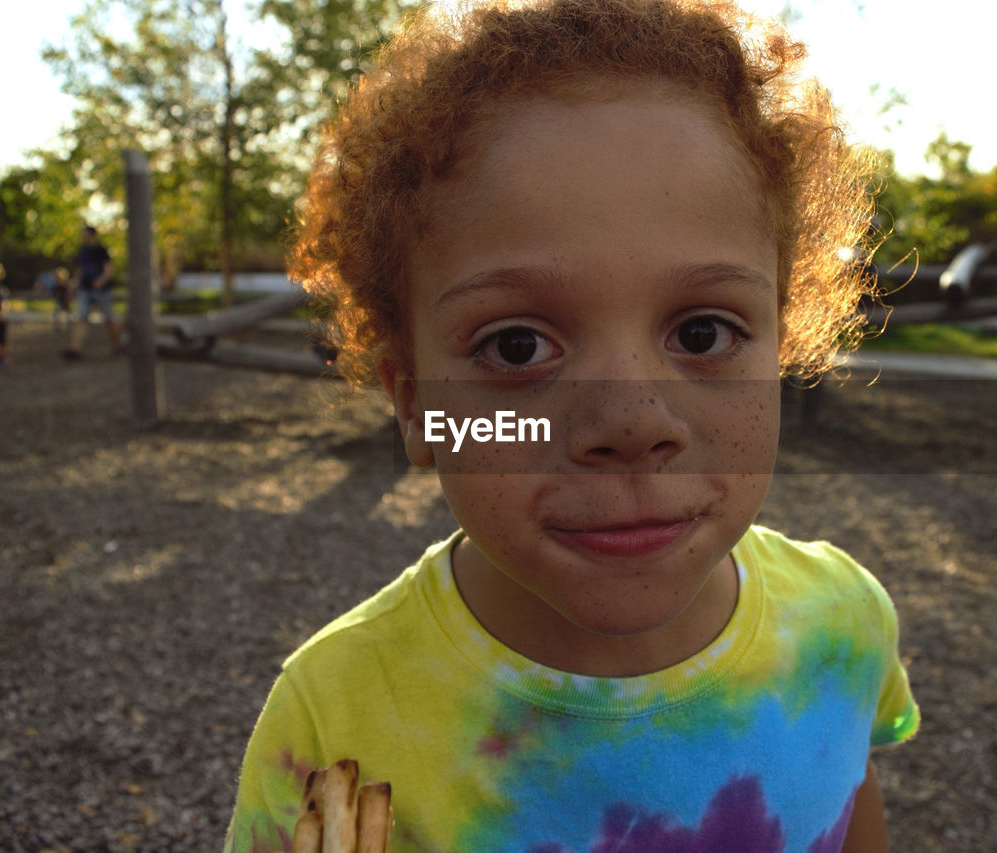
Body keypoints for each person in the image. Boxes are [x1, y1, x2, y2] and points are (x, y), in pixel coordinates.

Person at [224, 1, 918, 851]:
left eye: (702, 332)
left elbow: (851, 811)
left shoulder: (842, 627)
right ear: (415, 406)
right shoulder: (334, 722)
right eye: (517, 346)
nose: (631, 422)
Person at [63, 226, 122, 359]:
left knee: (110, 319)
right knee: (80, 318)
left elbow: (108, 269)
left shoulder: (101, 250)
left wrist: (100, 281)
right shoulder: (82, 251)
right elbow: (80, 272)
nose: (85, 238)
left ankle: (117, 346)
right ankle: (75, 349)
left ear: (93, 236)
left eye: (87, 236)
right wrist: (73, 286)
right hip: (86, 289)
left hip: (103, 291)